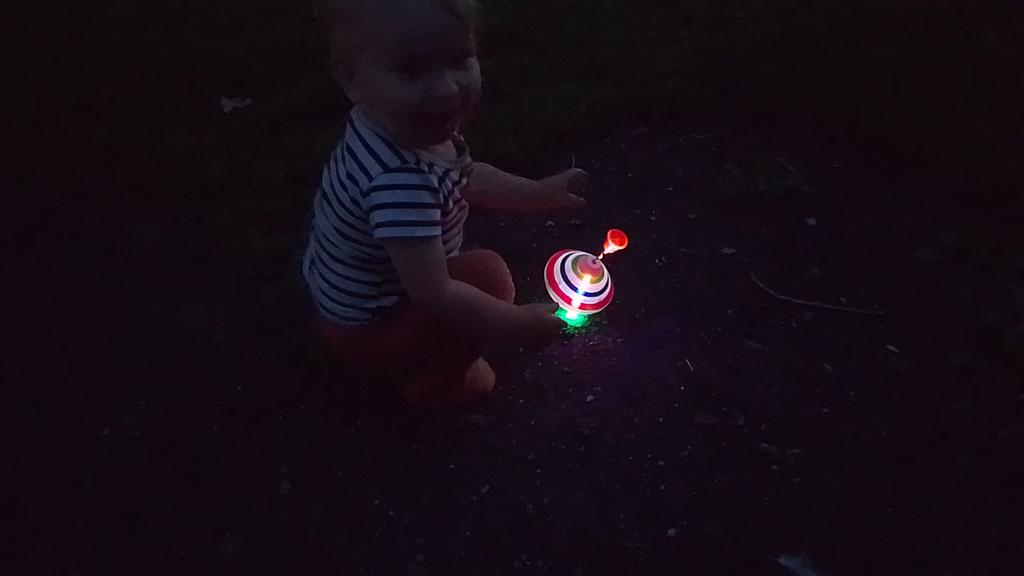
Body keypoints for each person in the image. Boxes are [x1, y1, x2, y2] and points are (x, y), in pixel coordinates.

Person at [304, 0, 588, 408]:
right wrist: (517, 325)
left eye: (458, 59)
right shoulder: (398, 181)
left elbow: (464, 175)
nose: (447, 89)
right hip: (368, 328)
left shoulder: (392, 127)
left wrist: (537, 192)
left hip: (350, 297)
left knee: (473, 276)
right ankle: (440, 382)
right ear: (352, 78)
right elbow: (435, 294)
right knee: (488, 277)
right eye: (411, 70)